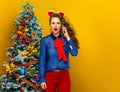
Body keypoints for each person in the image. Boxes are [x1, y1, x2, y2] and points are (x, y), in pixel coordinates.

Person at [38, 10, 79, 92]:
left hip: (64, 76)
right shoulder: (45, 41)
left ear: (61, 25)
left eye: (58, 23)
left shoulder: (65, 40)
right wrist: (42, 79)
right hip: (49, 76)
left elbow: (74, 53)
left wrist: (67, 37)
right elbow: (42, 61)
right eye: (53, 23)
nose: (55, 25)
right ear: (50, 25)